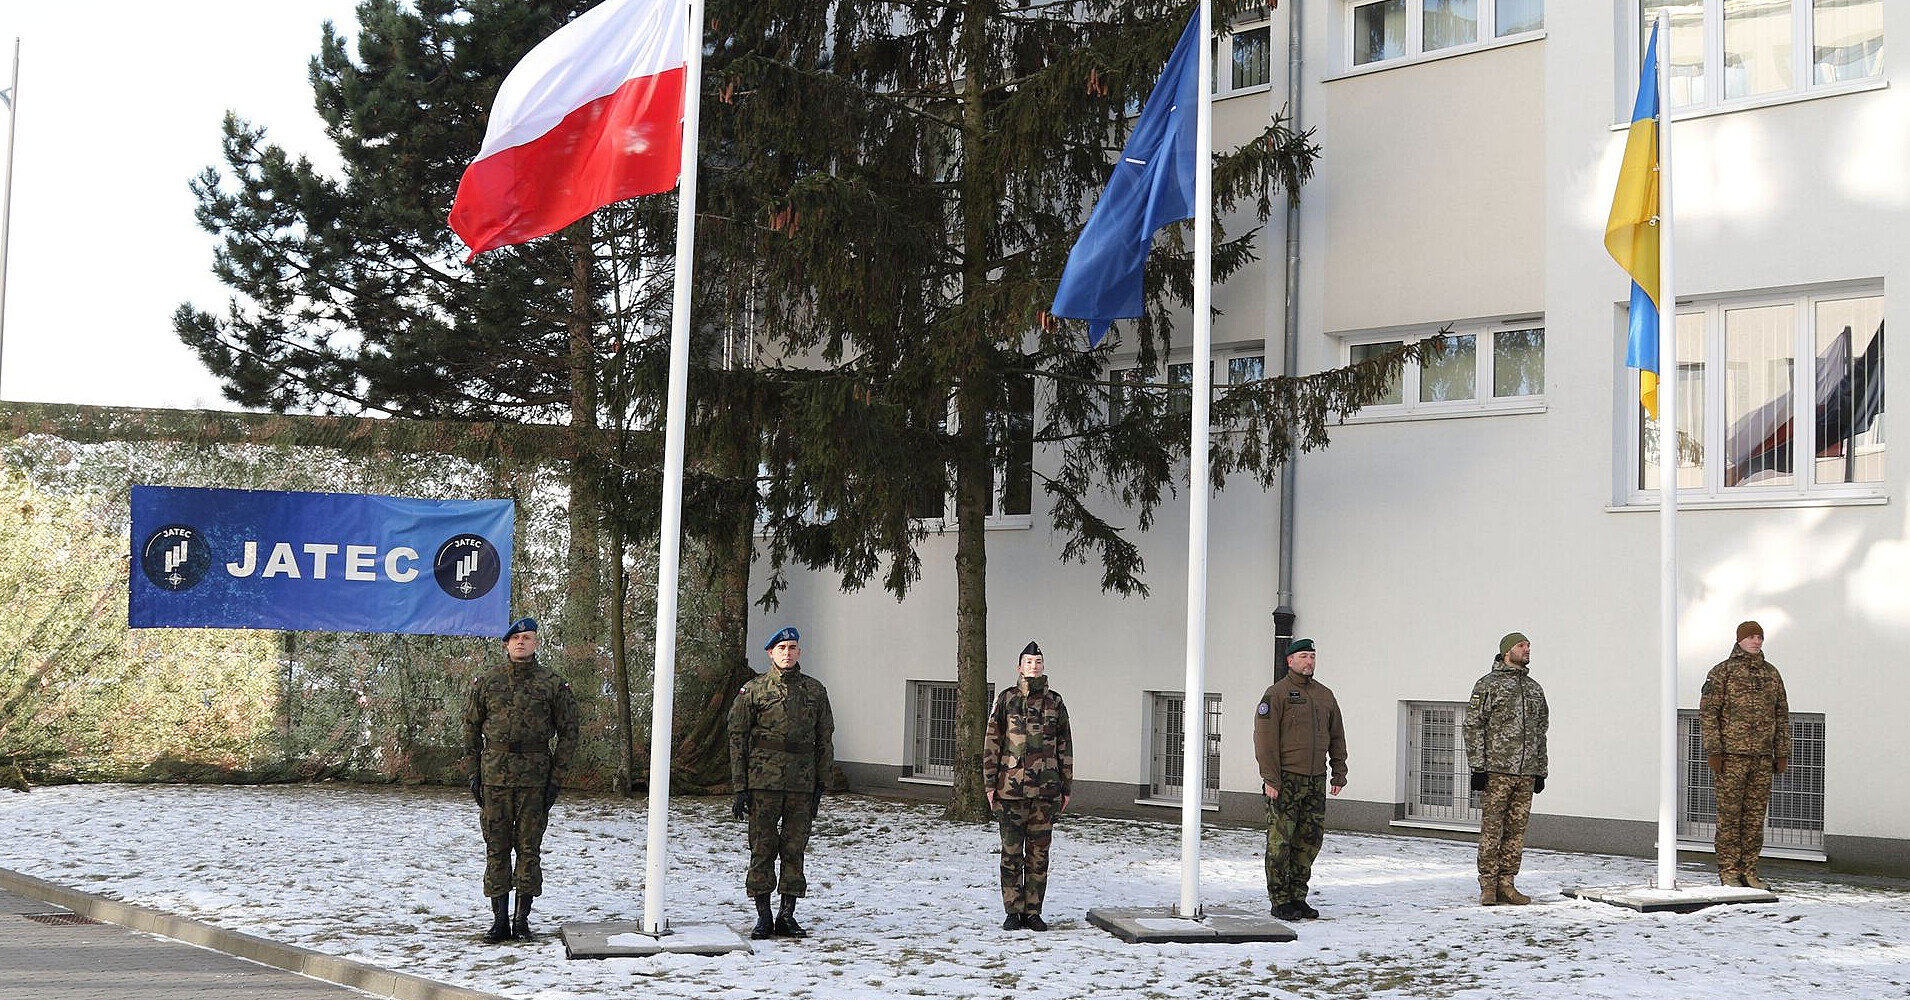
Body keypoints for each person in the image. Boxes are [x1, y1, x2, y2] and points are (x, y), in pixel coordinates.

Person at [462, 616, 579, 942]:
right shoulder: (487, 681)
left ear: (536, 642)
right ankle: (499, 922)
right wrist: (474, 773)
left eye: (527, 637)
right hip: (495, 777)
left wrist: (556, 778)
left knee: (529, 849)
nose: (521, 642)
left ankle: (521, 921)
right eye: (515, 638)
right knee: (496, 849)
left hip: (534, 780)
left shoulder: (552, 684)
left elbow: (570, 732)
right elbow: (470, 728)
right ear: (506, 644)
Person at [728, 625, 836, 939]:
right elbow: (737, 739)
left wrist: (821, 785)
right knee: (762, 848)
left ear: (799, 652)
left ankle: (787, 915)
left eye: (792, 647)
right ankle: (763, 916)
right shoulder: (755, 690)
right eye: (781, 648)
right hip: (763, 783)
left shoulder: (815, 691)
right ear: (770, 653)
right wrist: (739, 787)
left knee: (794, 848)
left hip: (801, 784)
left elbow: (825, 739)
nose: (787, 653)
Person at [982, 640, 1073, 932]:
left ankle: (1033, 912)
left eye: (1038, 662)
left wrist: (1066, 787)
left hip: (1045, 792)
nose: (1034, 667)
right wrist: (989, 784)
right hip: (1010, 790)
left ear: (1043, 667)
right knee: (1011, 854)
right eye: (1029, 662)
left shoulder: (1055, 702)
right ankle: (1012, 910)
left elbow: (1065, 746)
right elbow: (992, 742)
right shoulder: (1007, 700)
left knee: (1038, 855)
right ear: (1019, 667)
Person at [1252, 638, 1346, 921]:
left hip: (1315, 780)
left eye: (1313, 657)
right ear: (1290, 661)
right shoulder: (1276, 694)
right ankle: (1280, 899)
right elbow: (1264, 740)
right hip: (1285, 780)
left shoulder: (1325, 695)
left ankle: (1298, 896)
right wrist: (1271, 779)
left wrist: (1338, 771)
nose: (1309, 662)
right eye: (1304, 656)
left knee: (1309, 840)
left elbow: (1337, 736)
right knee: (1281, 840)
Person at [1700, 620, 1790, 890]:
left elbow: (1781, 715)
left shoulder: (1771, 674)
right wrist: (1714, 750)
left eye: (1760, 637)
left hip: (1762, 757)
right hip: (1731, 758)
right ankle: (1728, 871)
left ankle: (1749, 870)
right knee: (1729, 817)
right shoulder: (1722, 673)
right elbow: (1708, 714)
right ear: (1739, 639)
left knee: (1753, 817)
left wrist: (1781, 752)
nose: (1756, 641)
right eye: (1751, 637)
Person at [1463, 632, 1550, 906]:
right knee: (1491, 830)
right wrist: (1478, 767)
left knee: (1516, 833)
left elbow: (1541, 731)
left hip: (1526, 773)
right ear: (1506, 651)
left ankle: (1507, 884)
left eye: (1528, 646)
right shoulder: (1487, 685)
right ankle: (1488, 886)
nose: (1527, 649)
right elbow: (1473, 726)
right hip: (1496, 772)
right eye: (1521, 645)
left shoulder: (1535, 689)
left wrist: (1540, 771)